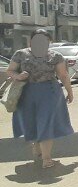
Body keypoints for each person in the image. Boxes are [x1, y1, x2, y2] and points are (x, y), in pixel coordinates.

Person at [4, 29, 74, 169]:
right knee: (31, 122)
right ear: (31, 40)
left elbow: (63, 75)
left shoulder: (55, 55)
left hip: (49, 92)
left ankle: (46, 158)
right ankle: (37, 146)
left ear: (49, 41)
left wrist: (69, 91)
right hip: (26, 92)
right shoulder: (21, 54)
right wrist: (18, 76)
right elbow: (10, 70)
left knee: (46, 122)